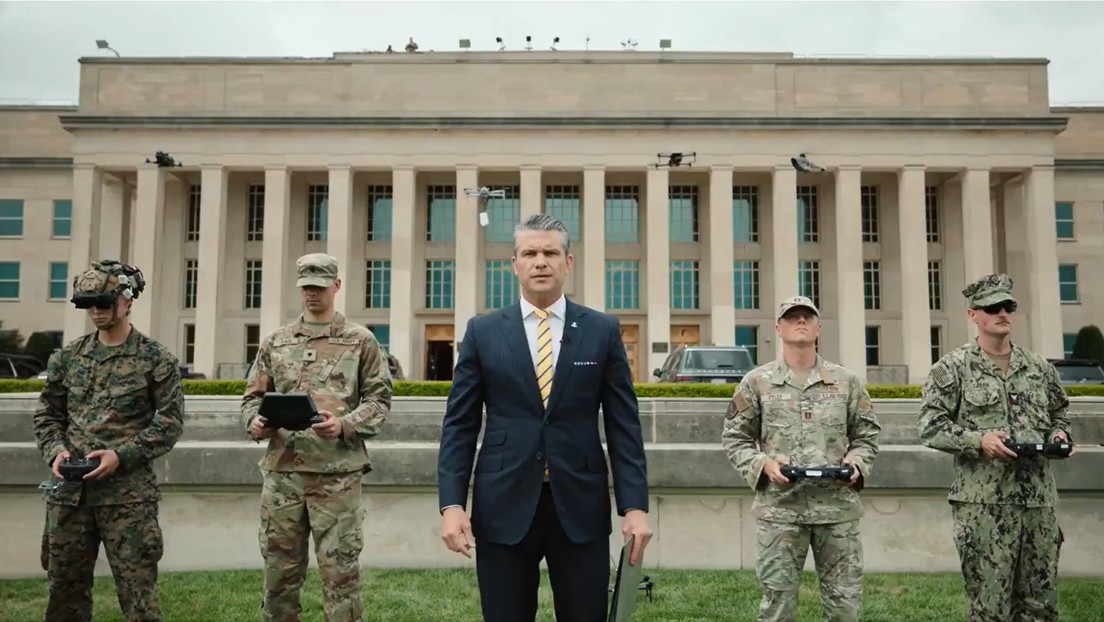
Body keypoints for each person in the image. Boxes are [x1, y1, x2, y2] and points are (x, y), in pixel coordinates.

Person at [437, 213, 652, 622]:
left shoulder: (601, 330)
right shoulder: (482, 332)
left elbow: (624, 426)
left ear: (568, 262)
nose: (541, 261)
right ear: (513, 264)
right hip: (502, 503)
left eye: (551, 252)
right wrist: (451, 504)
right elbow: (459, 425)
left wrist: (634, 508)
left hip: (580, 504)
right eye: (530, 253)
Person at [241, 253, 393, 622]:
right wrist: (256, 423)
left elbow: (380, 401)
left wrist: (344, 425)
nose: (313, 294)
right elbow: (252, 398)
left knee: (340, 575)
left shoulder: (360, 341)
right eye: (307, 287)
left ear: (336, 286)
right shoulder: (276, 342)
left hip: (337, 476)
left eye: (320, 287)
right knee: (279, 574)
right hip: (283, 476)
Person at [33, 259, 185, 622]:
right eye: (88, 304)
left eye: (103, 302)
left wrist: (122, 455)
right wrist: (56, 452)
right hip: (70, 496)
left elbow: (169, 422)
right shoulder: (68, 357)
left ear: (127, 300)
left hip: (128, 499)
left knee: (139, 601)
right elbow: (47, 414)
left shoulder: (155, 359)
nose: (96, 311)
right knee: (64, 595)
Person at [917, 274, 1074, 622]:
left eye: (1008, 306)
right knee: (990, 610)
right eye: (992, 308)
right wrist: (978, 441)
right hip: (984, 506)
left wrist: (1060, 438)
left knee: (1041, 608)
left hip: (1038, 502)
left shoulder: (1038, 368)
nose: (1002, 313)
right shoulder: (953, 368)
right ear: (973, 315)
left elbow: (1060, 413)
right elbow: (930, 426)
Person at [722, 295, 881, 622]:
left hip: (836, 512)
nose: (801, 322)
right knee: (777, 608)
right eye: (792, 317)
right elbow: (735, 438)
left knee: (845, 609)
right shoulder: (757, 382)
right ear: (778, 328)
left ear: (819, 328)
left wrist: (856, 464)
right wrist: (763, 465)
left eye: (807, 317)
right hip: (780, 511)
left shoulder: (846, 382)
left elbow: (867, 436)